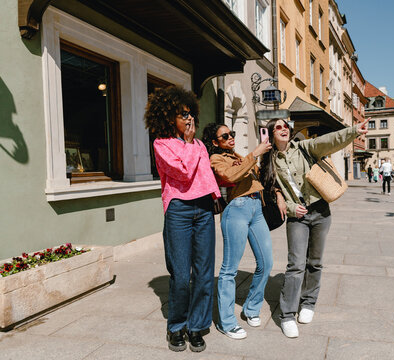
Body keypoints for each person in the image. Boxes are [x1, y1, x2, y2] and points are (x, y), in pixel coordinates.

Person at [260, 118, 369, 338]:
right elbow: (270, 190)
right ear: (271, 133)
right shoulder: (269, 161)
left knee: (315, 262)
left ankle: (308, 303)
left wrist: (354, 131)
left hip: (320, 211)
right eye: (277, 127)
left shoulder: (303, 148)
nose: (283, 129)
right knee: (296, 265)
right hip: (297, 217)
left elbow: (329, 141)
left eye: (285, 126)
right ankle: (288, 315)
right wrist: (290, 207)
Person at [144, 86, 220, 353]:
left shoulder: (199, 144)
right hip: (179, 211)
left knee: (203, 272)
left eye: (190, 113)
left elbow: (205, 176)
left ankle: (197, 326)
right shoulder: (161, 145)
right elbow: (184, 172)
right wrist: (188, 144)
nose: (188, 119)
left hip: (203, 210)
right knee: (179, 273)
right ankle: (176, 326)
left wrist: (216, 196)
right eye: (181, 114)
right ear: (168, 118)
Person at [202, 123, 285, 340]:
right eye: (225, 136)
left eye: (232, 134)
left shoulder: (238, 154)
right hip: (236, 210)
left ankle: (251, 308)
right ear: (214, 142)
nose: (231, 137)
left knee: (266, 263)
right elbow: (230, 177)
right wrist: (254, 154)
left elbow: (261, 178)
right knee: (229, 269)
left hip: (257, 209)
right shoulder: (216, 159)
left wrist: (277, 192)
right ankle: (227, 322)